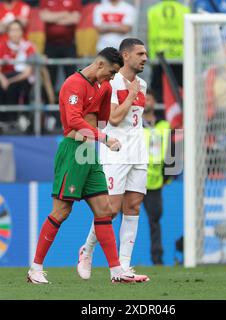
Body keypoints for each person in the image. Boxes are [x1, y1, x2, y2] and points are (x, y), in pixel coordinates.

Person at [27, 47, 146, 284]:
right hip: (73, 151)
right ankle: (35, 268)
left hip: (89, 152)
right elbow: (73, 121)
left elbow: (102, 119)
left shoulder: (103, 86)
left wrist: (111, 97)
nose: (112, 78)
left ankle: (117, 271)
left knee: (105, 211)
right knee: (62, 212)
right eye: (111, 73)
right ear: (100, 65)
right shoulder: (73, 84)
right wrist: (104, 138)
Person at [77, 38, 149, 282]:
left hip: (138, 151)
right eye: (140, 53)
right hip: (116, 151)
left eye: (146, 54)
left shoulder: (143, 84)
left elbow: (135, 120)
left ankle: (124, 267)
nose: (145, 58)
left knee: (134, 206)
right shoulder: (112, 82)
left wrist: (135, 93)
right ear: (125, 55)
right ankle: (86, 251)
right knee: (109, 209)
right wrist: (130, 96)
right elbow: (114, 120)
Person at [142, 89, 171, 265]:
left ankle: (157, 258)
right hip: (134, 181)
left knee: (155, 220)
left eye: (149, 99)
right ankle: (122, 260)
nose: (146, 102)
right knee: (129, 220)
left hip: (155, 182)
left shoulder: (164, 126)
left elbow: (172, 150)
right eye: (143, 99)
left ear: (154, 102)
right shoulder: (133, 125)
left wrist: (168, 175)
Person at [147, 0, 189, 102]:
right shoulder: (184, 10)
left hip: (159, 56)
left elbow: (149, 33)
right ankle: (180, 116)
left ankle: (159, 116)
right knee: (180, 91)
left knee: (158, 91)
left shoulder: (153, 11)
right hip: (180, 55)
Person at [39, 0, 81, 91]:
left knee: (72, 78)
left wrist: (53, 18)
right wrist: (65, 14)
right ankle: (49, 101)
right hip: (50, 45)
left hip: (69, 44)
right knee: (49, 77)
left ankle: (71, 102)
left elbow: (75, 19)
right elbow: (44, 17)